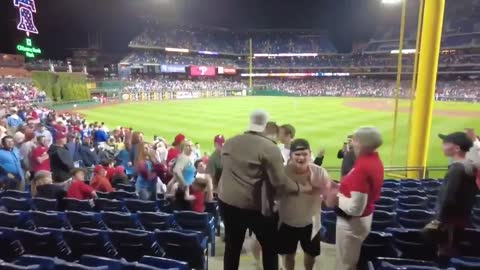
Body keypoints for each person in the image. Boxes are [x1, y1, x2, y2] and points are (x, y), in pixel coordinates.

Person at [218, 110, 311, 270]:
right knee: (270, 248)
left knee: (232, 247)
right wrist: (298, 187)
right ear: (265, 126)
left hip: (227, 203)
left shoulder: (230, 142)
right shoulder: (269, 147)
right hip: (256, 207)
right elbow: (279, 182)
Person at [335, 127, 384, 270]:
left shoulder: (362, 167)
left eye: (354, 140)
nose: (352, 143)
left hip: (352, 222)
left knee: (345, 264)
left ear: (361, 143)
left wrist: (335, 196)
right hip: (362, 219)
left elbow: (355, 208)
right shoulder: (373, 160)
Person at [432, 132, 478, 262]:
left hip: (450, 222)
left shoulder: (457, 169)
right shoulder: (469, 166)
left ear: (457, 148)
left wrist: (440, 220)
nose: (443, 146)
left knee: (445, 253)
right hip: (461, 218)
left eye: (446, 143)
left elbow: (449, 198)